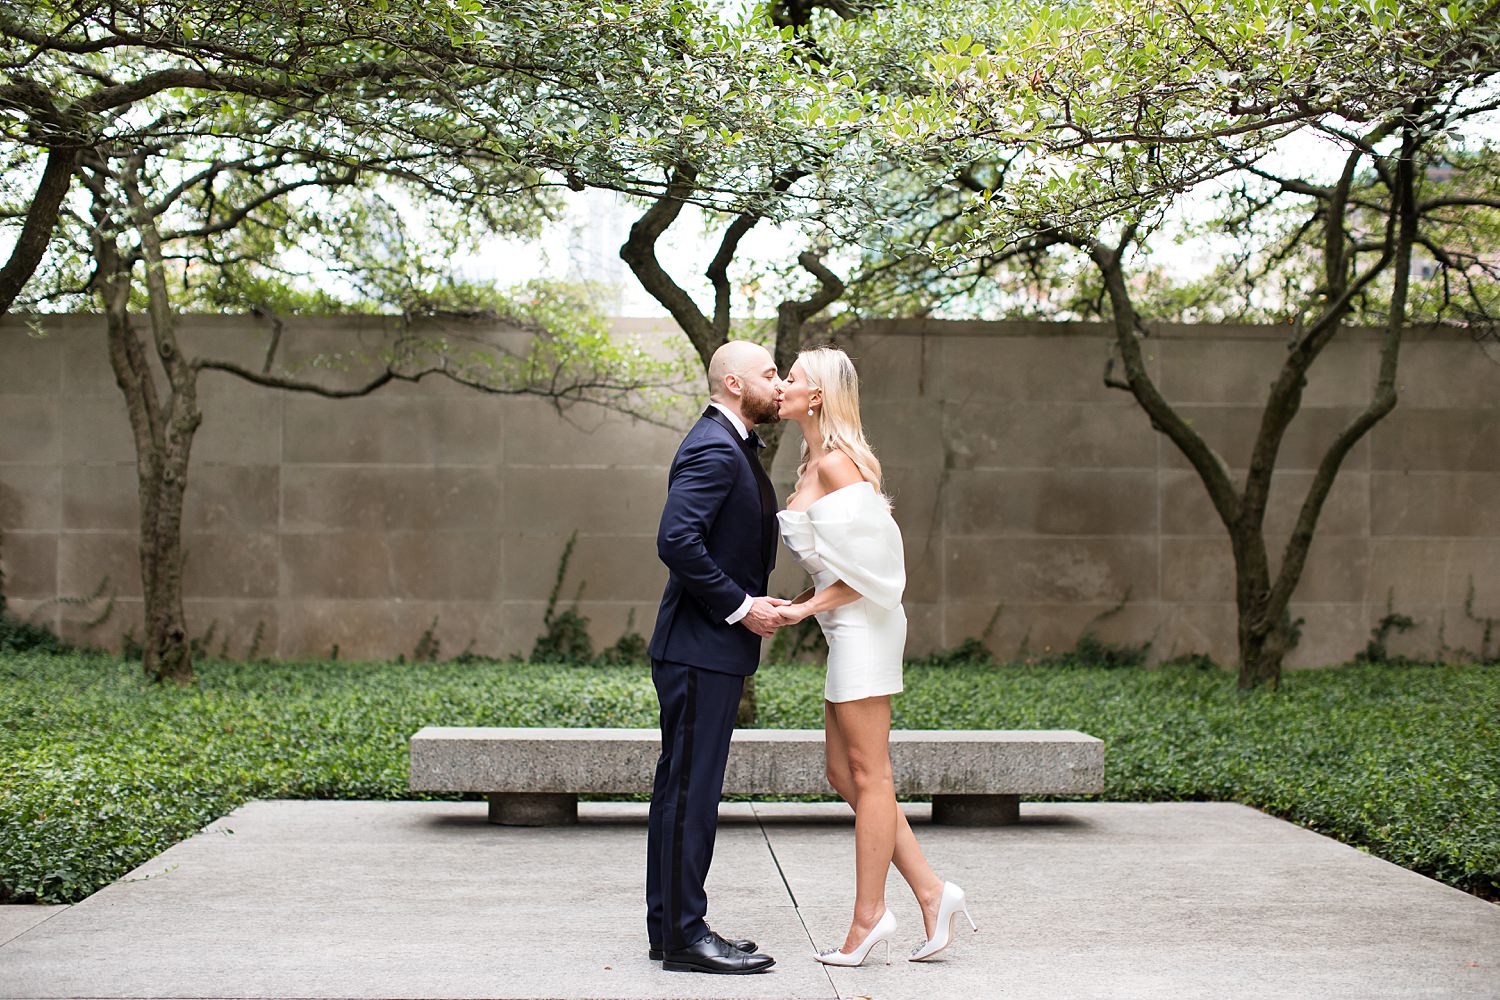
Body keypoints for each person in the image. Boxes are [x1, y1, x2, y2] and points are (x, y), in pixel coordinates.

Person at [773, 346, 977, 966]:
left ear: (817, 397)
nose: (781, 384)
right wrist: (798, 603)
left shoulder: (838, 465)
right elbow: (842, 566)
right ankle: (933, 891)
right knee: (846, 774)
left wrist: (804, 611)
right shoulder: (813, 462)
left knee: (872, 774)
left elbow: (879, 574)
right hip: (844, 625)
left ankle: (869, 917)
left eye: (793, 378)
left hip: (865, 625)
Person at [645, 340, 786, 975]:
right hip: (701, 648)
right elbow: (676, 539)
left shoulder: (729, 442)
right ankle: (683, 937)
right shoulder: (712, 445)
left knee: (685, 792)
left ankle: (672, 930)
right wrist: (741, 606)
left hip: (709, 651)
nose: (777, 383)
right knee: (689, 795)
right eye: (768, 373)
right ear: (733, 383)